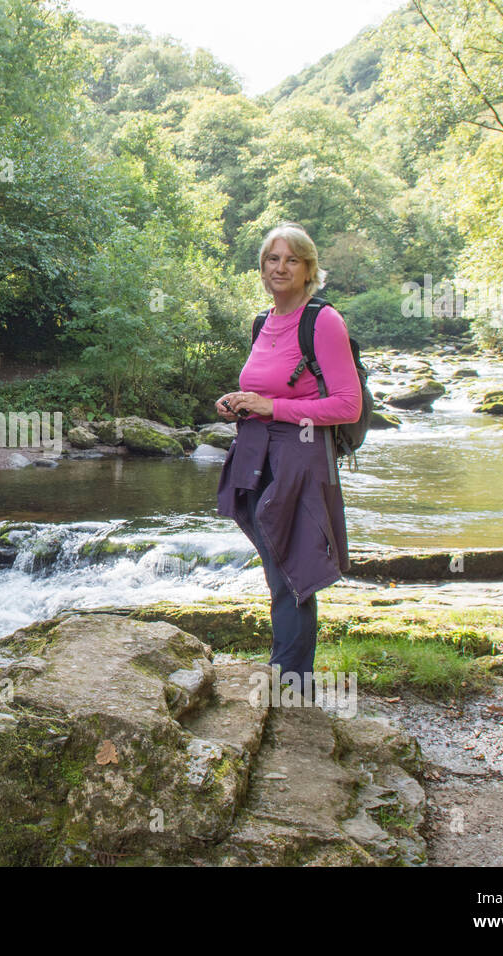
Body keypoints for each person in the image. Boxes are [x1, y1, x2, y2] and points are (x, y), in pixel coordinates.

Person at [215, 222, 361, 702]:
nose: (280, 268)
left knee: (294, 564)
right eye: (271, 260)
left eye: (291, 260)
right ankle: (288, 674)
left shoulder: (323, 321)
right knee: (278, 562)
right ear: (262, 268)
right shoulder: (262, 321)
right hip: (258, 451)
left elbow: (347, 406)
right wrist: (238, 401)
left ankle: (291, 681)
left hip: (301, 454)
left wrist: (270, 407)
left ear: (308, 269)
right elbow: (267, 388)